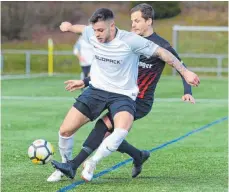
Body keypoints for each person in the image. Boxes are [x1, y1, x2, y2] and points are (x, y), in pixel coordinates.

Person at [48, 7, 200, 182]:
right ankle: (138, 155)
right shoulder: (125, 39)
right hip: (109, 91)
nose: (133, 24)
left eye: (137, 20)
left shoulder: (153, 44)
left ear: (149, 21)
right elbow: (110, 68)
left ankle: (83, 164)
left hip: (138, 99)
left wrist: (187, 89)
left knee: (104, 128)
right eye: (132, 20)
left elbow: (178, 63)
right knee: (100, 131)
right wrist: (69, 27)